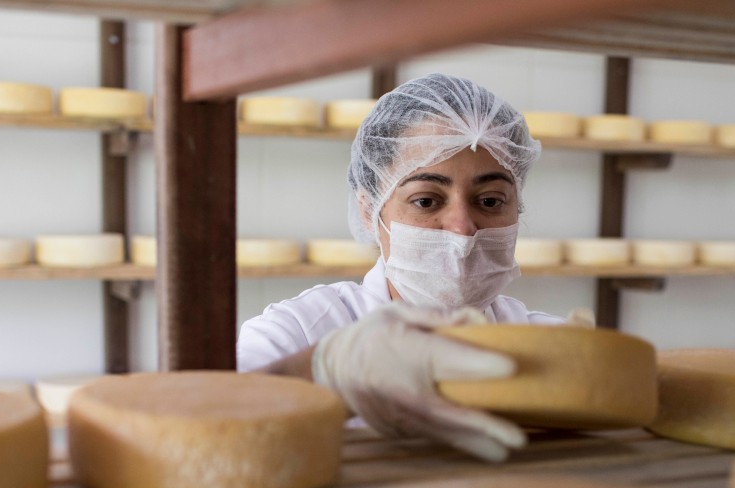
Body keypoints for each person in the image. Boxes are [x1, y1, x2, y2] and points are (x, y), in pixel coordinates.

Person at [237, 73, 565, 462]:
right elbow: (208, 422)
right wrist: (326, 371)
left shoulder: (552, 345)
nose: (462, 228)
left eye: (491, 201)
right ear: (369, 211)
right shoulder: (297, 331)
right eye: (426, 200)